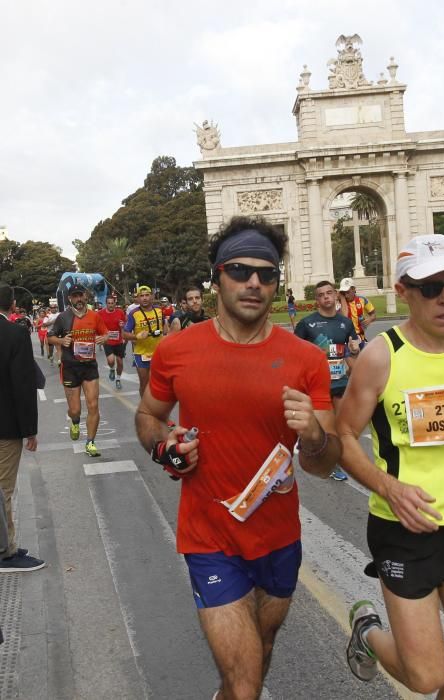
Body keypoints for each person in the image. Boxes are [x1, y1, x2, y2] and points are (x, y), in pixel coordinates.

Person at [134, 216, 341, 700]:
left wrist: (312, 434)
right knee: (247, 684)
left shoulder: (305, 359)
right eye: (240, 270)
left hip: (278, 537)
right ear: (216, 277)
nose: (254, 283)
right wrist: (166, 446)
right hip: (210, 537)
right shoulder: (177, 351)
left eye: (267, 274)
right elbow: (148, 415)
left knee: (260, 651)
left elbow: (324, 461)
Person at [336, 234, 444, 696]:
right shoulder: (381, 357)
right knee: (428, 676)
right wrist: (388, 487)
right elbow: (343, 436)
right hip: (404, 528)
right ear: (402, 292)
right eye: (430, 287)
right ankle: (369, 632)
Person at [295, 280, 360, 482]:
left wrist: (356, 357)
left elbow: (350, 352)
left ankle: (335, 463)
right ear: (317, 300)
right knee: (324, 429)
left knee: (340, 427)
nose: (326, 297)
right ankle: (323, 460)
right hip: (317, 387)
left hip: (340, 383)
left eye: (329, 293)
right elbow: (295, 355)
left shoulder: (346, 323)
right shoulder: (307, 324)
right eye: (321, 294)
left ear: (335, 296)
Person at [0, 284, 46, 573]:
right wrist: (30, 429)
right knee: (4, 488)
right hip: (5, 426)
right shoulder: (15, 333)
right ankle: (6, 551)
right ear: (13, 305)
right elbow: (22, 385)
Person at [48, 285, 108, 457]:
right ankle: (74, 422)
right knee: (75, 410)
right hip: (70, 367)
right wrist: (61, 341)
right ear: (69, 299)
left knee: (93, 405)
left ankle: (90, 442)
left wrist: (103, 338)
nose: (78, 299)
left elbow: (106, 333)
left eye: (81, 295)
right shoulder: (63, 317)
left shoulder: (94, 316)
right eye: (75, 296)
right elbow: (49, 337)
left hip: (89, 366)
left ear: (85, 296)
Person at [123, 285, 165, 397]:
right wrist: (137, 336)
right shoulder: (134, 314)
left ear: (152, 296)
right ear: (137, 298)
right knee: (144, 383)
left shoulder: (159, 310)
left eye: (147, 295)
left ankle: (153, 406)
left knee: (156, 383)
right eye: (142, 296)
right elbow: (124, 334)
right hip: (141, 354)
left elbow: (166, 328)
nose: (145, 298)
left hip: (158, 353)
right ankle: (145, 406)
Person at [98, 295, 127, 389]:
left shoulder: (120, 312)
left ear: (115, 303)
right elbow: (97, 325)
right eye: (109, 303)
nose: (110, 305)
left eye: (112, 303)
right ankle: (111, 369)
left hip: (118, 341)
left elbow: (125, 324)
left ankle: (118, 379)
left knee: (120, 362)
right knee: (111, 360)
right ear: (106, 304)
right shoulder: (100, 313)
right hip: (108, 341)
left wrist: (122, 325)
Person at [338, 278, 376, 346]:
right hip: (345, 339)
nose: (346, 295)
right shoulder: (339, 303)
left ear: (354, 289)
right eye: (343, 293)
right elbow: (342, 318)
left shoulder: (363, 300)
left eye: (347, 292)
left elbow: (373, 314)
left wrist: (370, 319)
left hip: (360, 338)